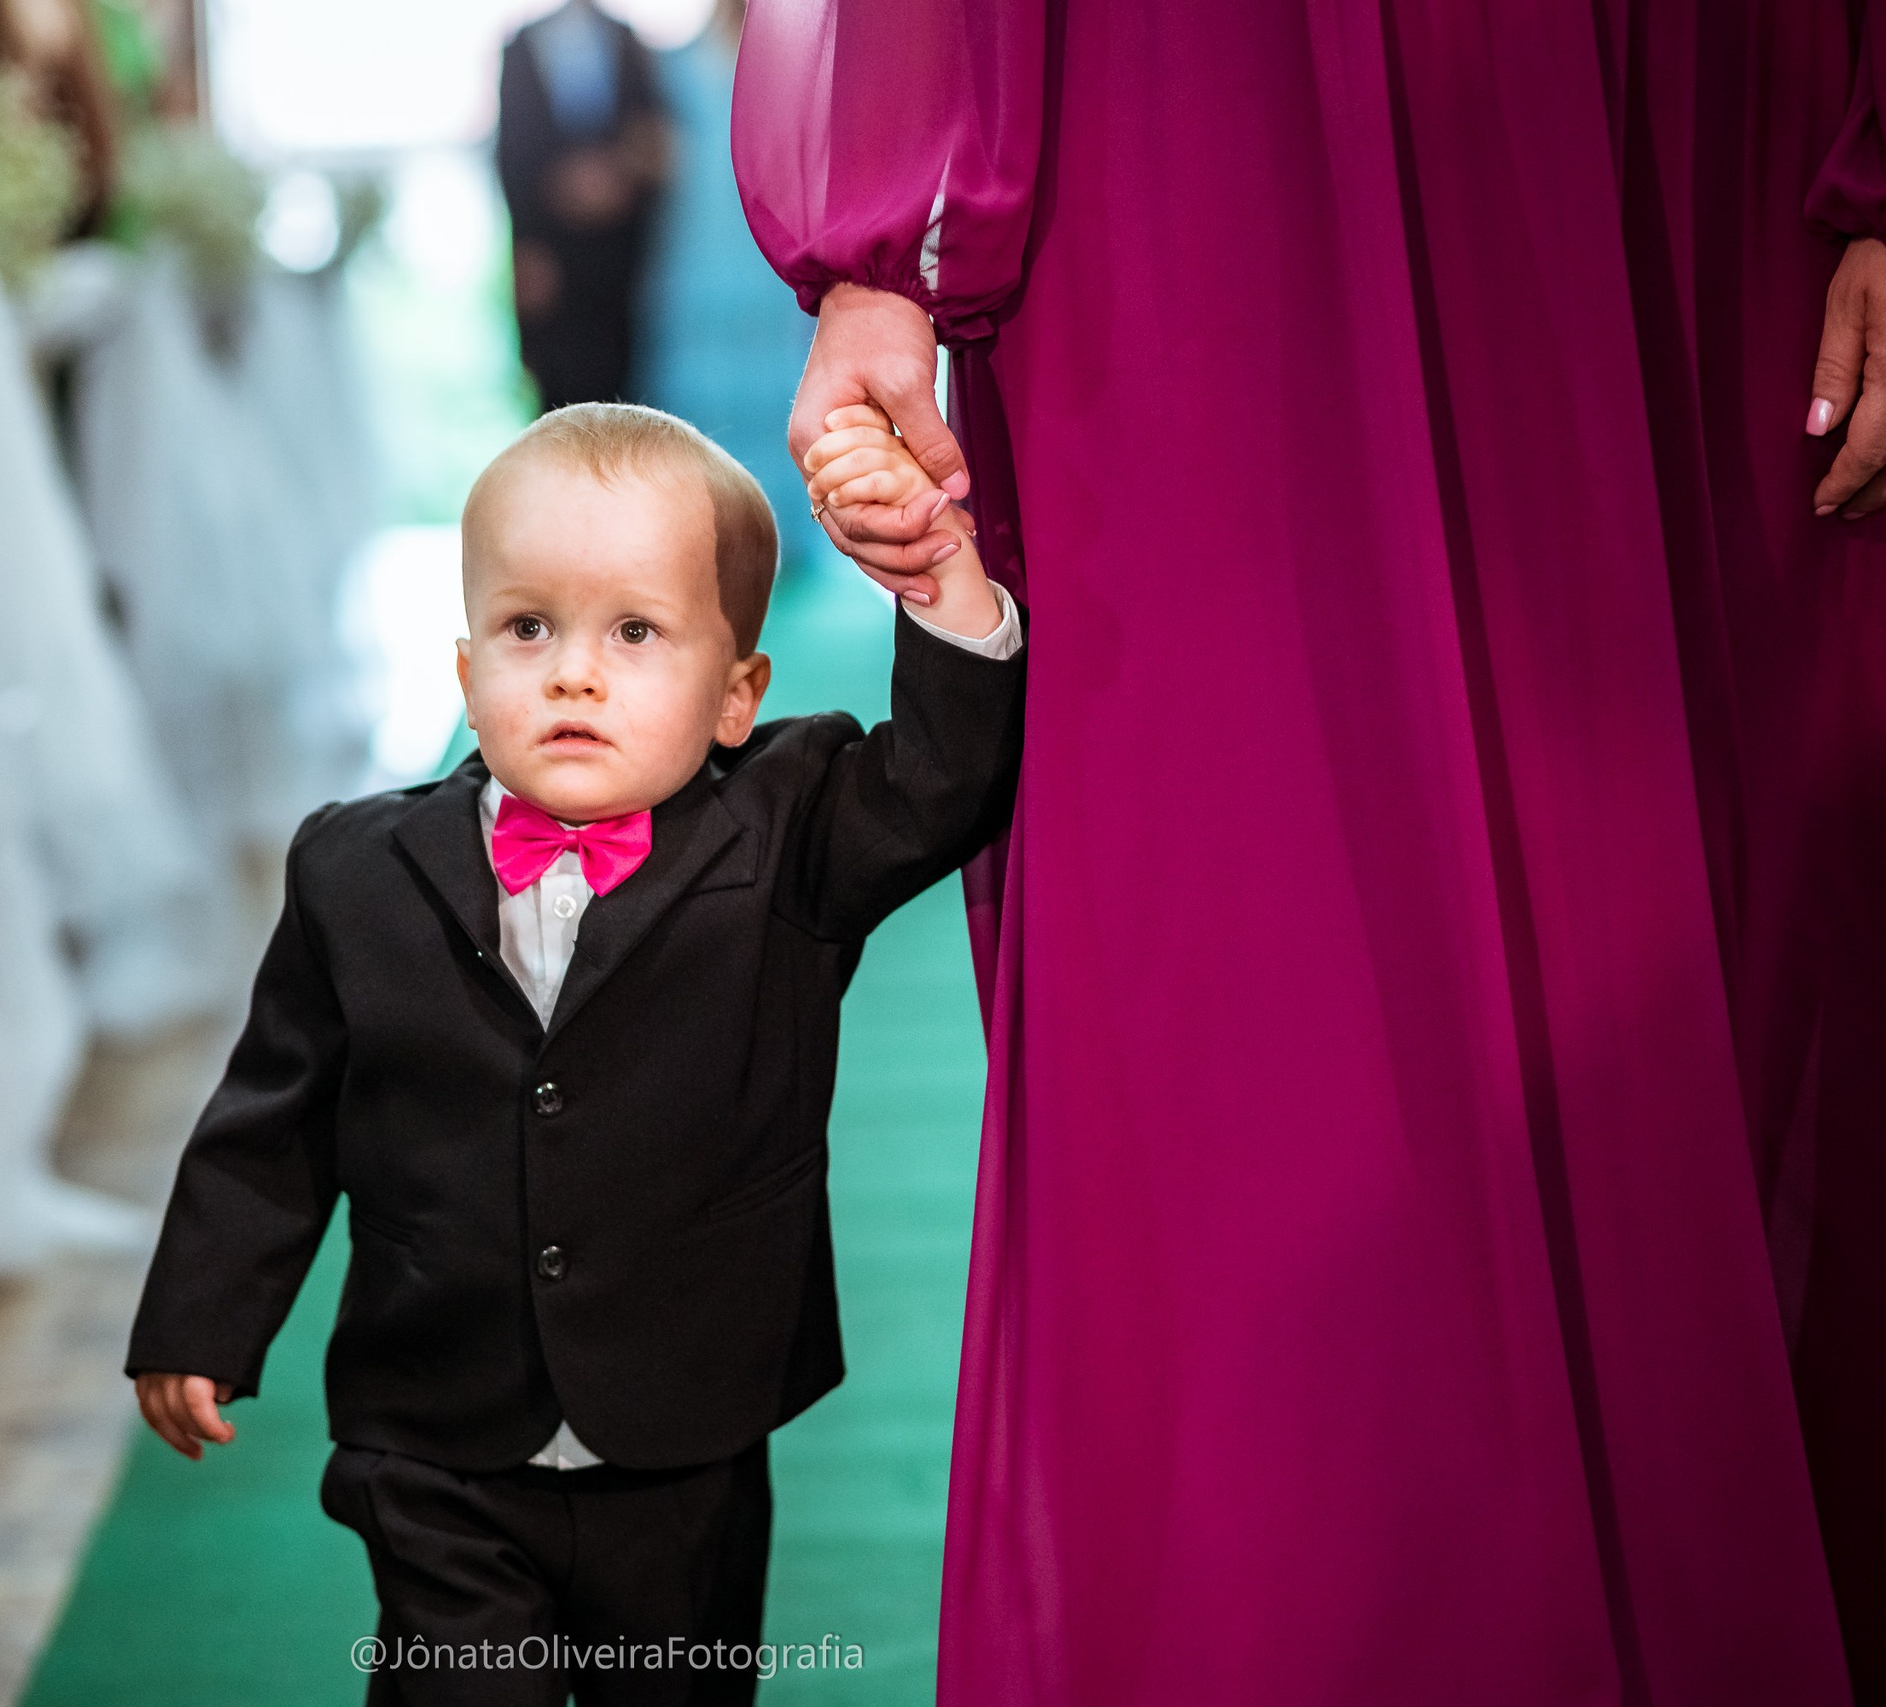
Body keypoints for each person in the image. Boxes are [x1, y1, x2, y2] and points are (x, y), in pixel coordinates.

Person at [738, 3, 1866, 1702]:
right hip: (1213, 114)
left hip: (1695, 99)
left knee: (1715, 969)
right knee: (1275, 1010)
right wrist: (880, 249)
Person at [126, 402, 1023, 1703]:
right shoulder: (354, 869)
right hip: (437, 1426)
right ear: (463, 662)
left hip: (685, 1426)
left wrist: (943, 587)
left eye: (636, 632)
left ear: (737, 693)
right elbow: (276, 1114)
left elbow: (943, 782)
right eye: (527, 626)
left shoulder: (789, 832)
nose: (573, 673)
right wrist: (201, 1314)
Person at [633, 0, 821, 576]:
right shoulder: (666, 68)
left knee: (780, 393)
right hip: (692, 257)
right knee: (696, 401)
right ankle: (703, 536)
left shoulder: (800, 65)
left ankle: (784, 537)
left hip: (773, 262)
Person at [496, 0, 666, 410]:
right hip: (554, 259)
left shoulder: (629, 40)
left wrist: (620, 176)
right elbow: (510, 157)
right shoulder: (521, 46)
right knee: (559, 399)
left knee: (633, 398)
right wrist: (527, 247)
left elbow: (655, 142)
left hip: (625, 262)